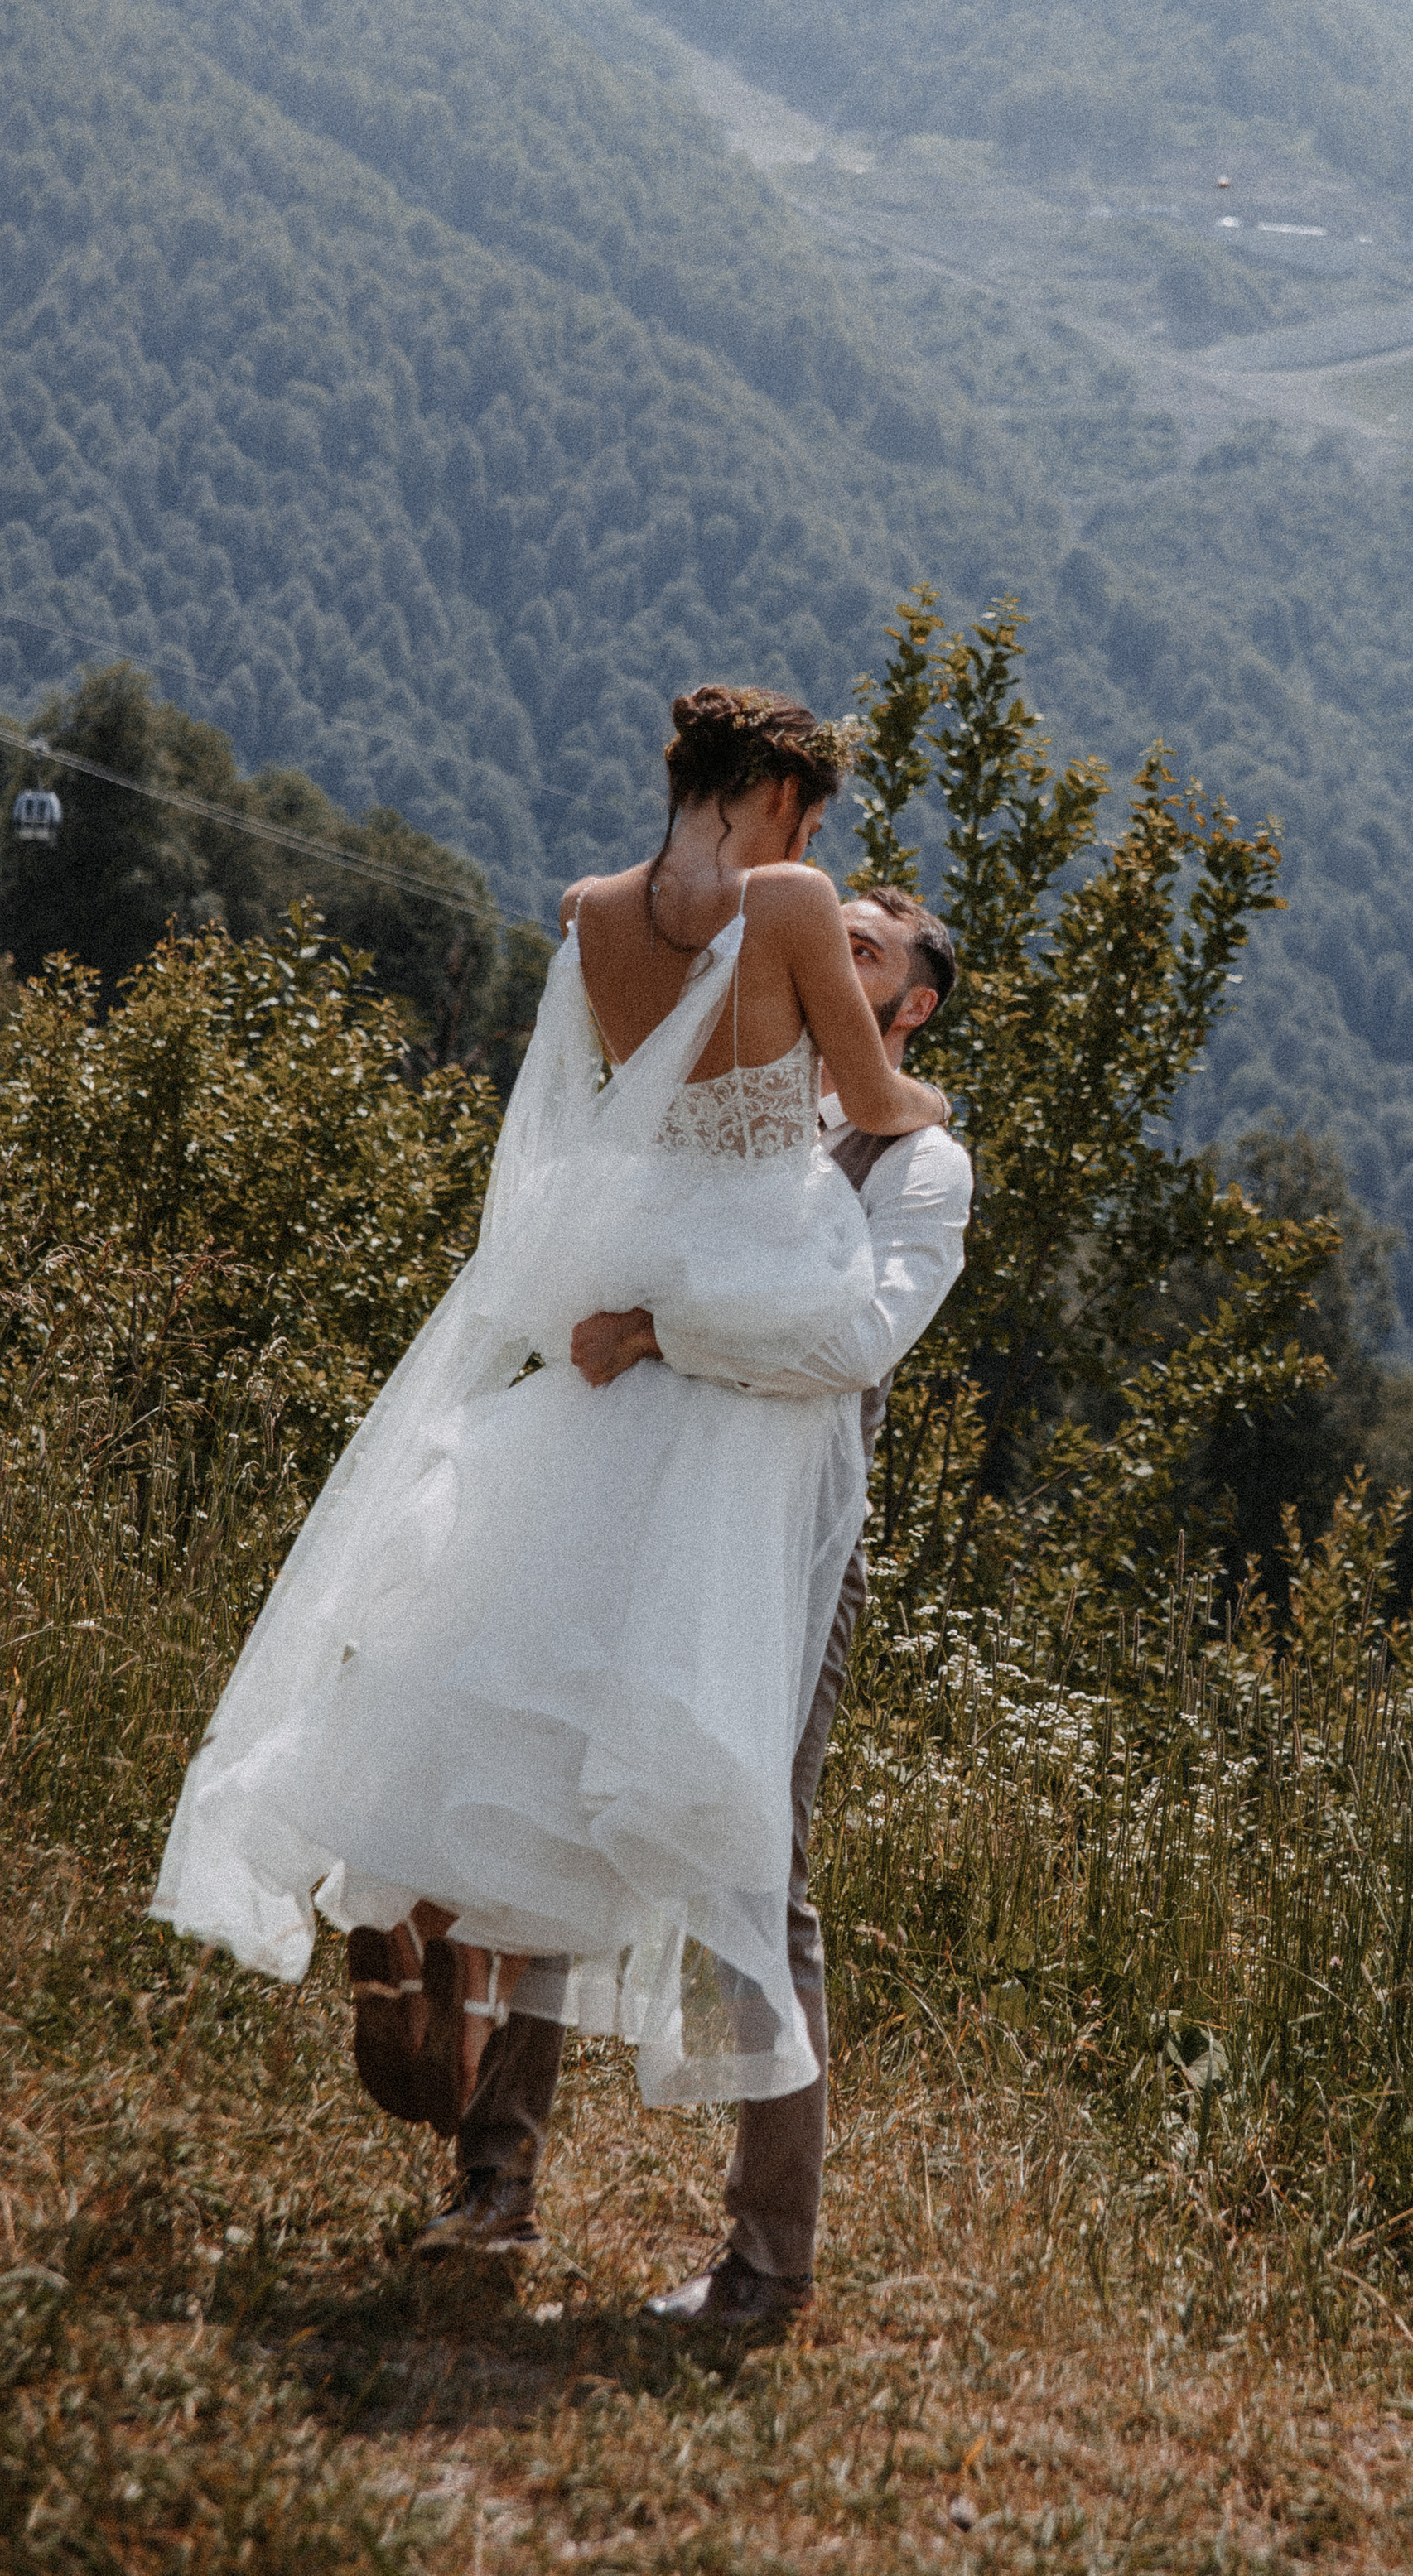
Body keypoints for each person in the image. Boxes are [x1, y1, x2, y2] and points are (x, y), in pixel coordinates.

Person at [150, 687, 960, 2261]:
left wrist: (621, 1312)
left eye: (878, 954)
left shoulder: (594, 914)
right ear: (786, 794)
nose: (833, 897)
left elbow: (555, 1158)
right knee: (663, 1797)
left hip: (618, 1351)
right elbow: (871, 1112)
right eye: (825, 844)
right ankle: (538, 2184)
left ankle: (485, 2050)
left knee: (544, 1738)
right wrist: (908, 1097)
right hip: (728, 1457)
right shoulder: (793, 916)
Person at [453, 884, 971, 2320]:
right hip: (645, 1503)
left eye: (861, 951)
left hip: (790, 1554)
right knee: (563, 1787)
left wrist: (662, 1331)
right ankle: (494, 2182)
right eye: (828, 930)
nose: (822, 954)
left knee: (761, 1866)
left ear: (908, 1009)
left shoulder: (923, 1170)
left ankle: (768, 2258)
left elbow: (856, 1339)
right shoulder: (751, 1121)